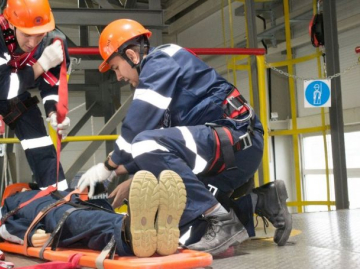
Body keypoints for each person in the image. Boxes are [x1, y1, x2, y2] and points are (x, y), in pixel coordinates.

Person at [77, 19, 292, 256]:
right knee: (185, 230)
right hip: (226, 152)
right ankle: (262, 201)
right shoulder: (164, 79)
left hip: (236, 142)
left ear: (131, 55)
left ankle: (220, 220)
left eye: (116, 67)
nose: (118, 77)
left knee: (144, 143)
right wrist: (122, 176)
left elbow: (138, 131)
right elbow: (162, 154)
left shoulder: (160, 61)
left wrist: (107, 167)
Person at [0, 0, 70, 256]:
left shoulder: (54, 41)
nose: (34, 43)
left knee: (41, 144)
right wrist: (41, 64)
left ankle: (67, 208)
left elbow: (49, 86)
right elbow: (2, 87)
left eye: (39, 35)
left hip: (18, 87)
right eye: (27, 35)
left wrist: (54, 114)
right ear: (12, 23)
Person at [0, 170, 187, 258]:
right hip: (52, 215)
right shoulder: (10, 203)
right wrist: (29, 236)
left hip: (74, 203)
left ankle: (144, 228)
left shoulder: (51, 191)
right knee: (84, 221)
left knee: (91, 221)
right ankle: (131, 233)